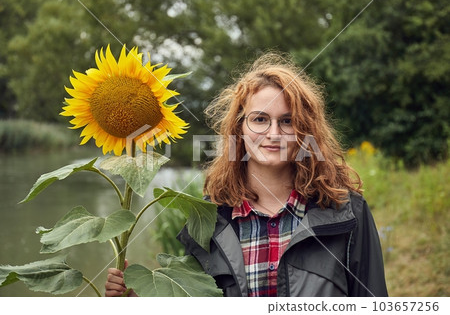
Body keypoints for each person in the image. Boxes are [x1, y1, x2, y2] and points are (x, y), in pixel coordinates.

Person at [105, 52, 388, 297]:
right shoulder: (208, 221)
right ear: (239, 129)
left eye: (287, 121)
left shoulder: (347, 213)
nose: (273, 134)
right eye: (260, 119)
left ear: (306, 130)